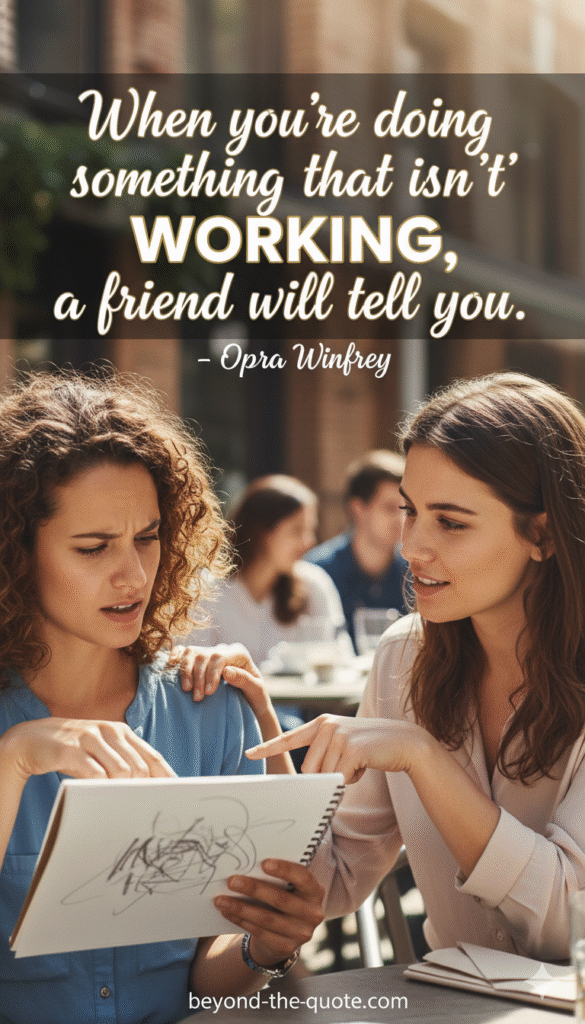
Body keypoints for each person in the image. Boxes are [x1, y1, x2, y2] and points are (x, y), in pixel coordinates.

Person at [0, 372, 323, 1024]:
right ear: (17, 554)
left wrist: (263, 946)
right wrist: (14, 759)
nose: (134, 574)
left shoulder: (207, 706)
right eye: (93, 547)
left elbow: (206, 976)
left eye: (147, 538)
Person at [248, 372, 585, 962]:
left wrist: (424, 758)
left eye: (451, 522)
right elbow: (336, 875)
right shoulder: (404, 657)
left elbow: (570, 926)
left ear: (545, 533)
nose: (411, 546)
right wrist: (252, 712)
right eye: (408, 510)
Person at [185, 475, 350, 666]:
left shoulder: (314, 585)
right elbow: (187, 670)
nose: (309, 542)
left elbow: (341, 659)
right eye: (297, 530)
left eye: (310, 530)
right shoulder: (206, 593)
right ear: (262, 532)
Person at [305, 450, 409, 650]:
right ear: (358, 509)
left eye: (406, 509)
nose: (401, 519)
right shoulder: (318, 573)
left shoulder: (415, 573)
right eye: (390, 508)